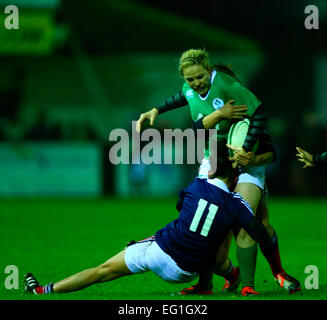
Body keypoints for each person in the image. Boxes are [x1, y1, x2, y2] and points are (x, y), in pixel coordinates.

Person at [23, 145, 300, 296]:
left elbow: (183, 210)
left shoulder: (194, 186)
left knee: (101, 272)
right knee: (211, 239)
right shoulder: (237, 206)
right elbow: (257, 232)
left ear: (211, 171)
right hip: (185, 272)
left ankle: (43, 290)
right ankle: (226, 275)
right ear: (236, 178)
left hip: (159, 253)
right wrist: (271, 249)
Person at [136, 48, 285, 296]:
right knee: (203, 226)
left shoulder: (239, 104)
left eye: (200, 77)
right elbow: (183, 99)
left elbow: (269, 147)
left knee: (249, 224)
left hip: (242, 164)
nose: (196, 83)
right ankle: (208, 283)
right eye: (190, 79)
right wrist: (157, 110)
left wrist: (246, 151)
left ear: (211, 71)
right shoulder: (191, 90)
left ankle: (253, 283)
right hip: (213, 160)